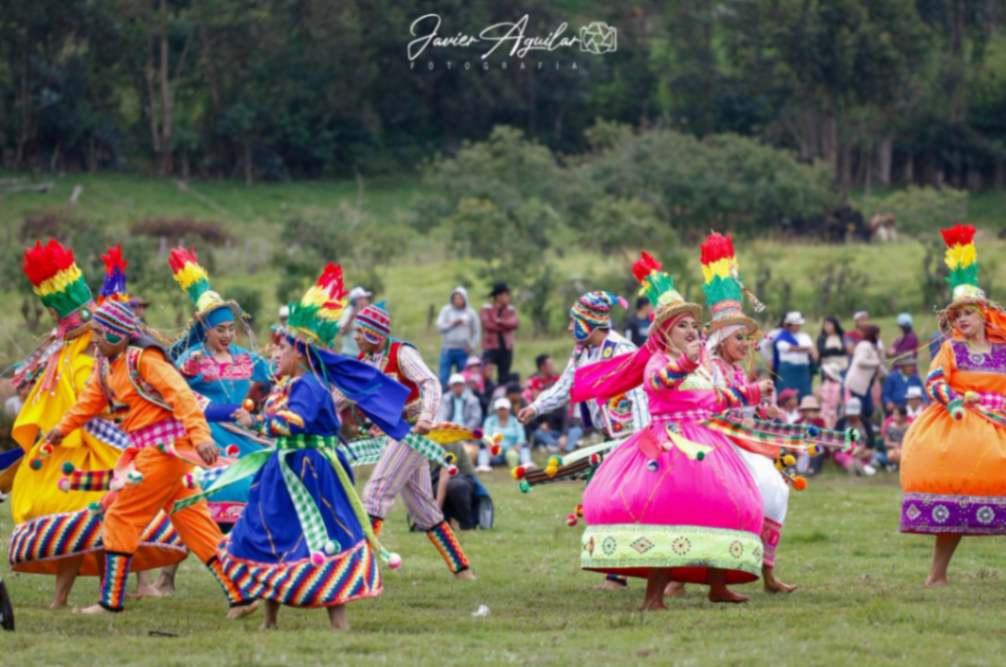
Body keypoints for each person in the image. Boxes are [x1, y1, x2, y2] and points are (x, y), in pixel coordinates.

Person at [205, 264, 410, 631]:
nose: (275, 352)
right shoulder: (286, 384)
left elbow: (294, 422)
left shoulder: (309, 385)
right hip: (282, 470)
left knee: (325, 535)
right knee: (271, 531)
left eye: (282, 347)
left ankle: (338, 621)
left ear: (299, 354)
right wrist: (261, 418)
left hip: (311, 472)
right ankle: (270, 618)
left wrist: (261, 422)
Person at [573, 251, 768, 608]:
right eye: (682, 326)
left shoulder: (702, 365)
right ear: (665, 332)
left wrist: (755, 392)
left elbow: (715, 399)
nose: (692, 331)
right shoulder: (659, 361)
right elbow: (661, 383)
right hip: (670, 444)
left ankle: (718, 585)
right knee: (667, 511)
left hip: (707, 441)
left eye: (694, 326)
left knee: (725, 505)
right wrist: (687, 361)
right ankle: (654, 596)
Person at [45, 300, 257, 617]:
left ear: (117, 334)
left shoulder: (144, 359)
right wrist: (60, 429)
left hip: (163, 452)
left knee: (120, 516)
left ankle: (110, 602)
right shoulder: (106, 366)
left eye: (99, 333)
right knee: (196, 526)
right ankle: (241, 597)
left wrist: (200, 436)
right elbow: (89, 402)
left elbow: (181, 395)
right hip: (159, 455)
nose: (94, 340)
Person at [9, 241, 183, 609]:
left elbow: (108, 398)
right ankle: (69, 597)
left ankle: (105, 595)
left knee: (101, 523)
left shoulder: (95, 353)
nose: (95, 338)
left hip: (105, 450)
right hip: (78, 451)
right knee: (77, 524)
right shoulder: (69, 354)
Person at [901, 224, 1006, 586]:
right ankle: (936, 575)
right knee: (957, 491)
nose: (961, 319)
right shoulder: (951, 349)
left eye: (968, 313)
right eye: (956, 315)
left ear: (984, 315)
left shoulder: (1003, 351)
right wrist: (955, 402)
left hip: (1000, 423)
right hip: (960, 423)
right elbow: (934, 382)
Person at [697, 233, 794, 594]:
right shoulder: (707, 368)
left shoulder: (737, 371)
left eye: (747, 339)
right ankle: (685, 578)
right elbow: (710, 404)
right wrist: (750, 400)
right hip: (714, 444)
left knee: (775, 490)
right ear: (721, 340)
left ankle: (767, 572)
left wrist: (763, 411)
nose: (746, 345)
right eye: (739, 339)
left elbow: (743, 407)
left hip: (741, 444)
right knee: (745, 494)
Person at [354, 302, 476, 580]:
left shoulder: (401, 352)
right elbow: (346, 395)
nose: (356, 336)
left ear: (375, 333)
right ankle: (463, 570)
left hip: (412, 431)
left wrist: (426, 417)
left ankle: (359, 572)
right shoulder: (365, 360)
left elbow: (430, 382)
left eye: (361, 331)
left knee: (375, 493)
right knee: (423, 507)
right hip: (396, 432)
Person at [168, 247, 274, 530]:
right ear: (206, 330)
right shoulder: (192, 359)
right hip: (204, 434)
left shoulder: (246, 358)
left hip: (240, 430)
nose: (227, 335)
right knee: (213, 488)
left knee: (264, 475)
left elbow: (276, 378)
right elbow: (174, 391)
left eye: (231, 328)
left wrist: (260, 414)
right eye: (220, 329)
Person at [436, 287, 481, 387]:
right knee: (443, 377)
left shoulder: (471, 313)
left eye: (460, 298)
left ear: (465, 299)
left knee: (463, 377)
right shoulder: (446, 311)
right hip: (447, 349)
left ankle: (461, 395)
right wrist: (453, 323)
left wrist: (472, 346)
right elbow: (439, 327)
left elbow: (477, 331)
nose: (457, 300)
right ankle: (443, 394)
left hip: (463, 350)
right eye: (455, 298)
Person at [480, 282, 519, 385]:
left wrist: (500, 321)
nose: (507, 298)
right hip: (490, 346)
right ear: (498, 296)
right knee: (486, 372)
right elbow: (488, 325)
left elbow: (514, 323)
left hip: (506, 347)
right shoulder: (487, 309)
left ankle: (501, 391)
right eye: (505, 295)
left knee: (504, 374)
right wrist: (505, 326)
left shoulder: (510, 310)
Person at [774, 312, 816, 398]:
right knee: (786, 395)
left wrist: (810, 351)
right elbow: (788, 348)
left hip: (802, 369)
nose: (797, 327)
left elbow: (812, 349)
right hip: (788, 369)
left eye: (798, 325)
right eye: (795, 325)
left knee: (804, 394)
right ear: (789, 325)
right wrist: (806, 349)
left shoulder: (804, 336)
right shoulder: (782, 337)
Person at [846, 325, 883, 421]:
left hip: (864, 385)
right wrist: (876, 363)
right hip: (857, 383)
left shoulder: (870, 347)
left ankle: (865, 425)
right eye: (877, 334)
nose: (879, 337)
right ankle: (862, 426)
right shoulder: (864, 345)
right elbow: (860, 361)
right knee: (864, 409)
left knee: (868, 409)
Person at [479, 397, 528, 470]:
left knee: (524, 445)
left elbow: (521, 437)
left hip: (513, 450)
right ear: (496, 410)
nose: (502, 411)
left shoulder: (515, 421)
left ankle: (526, 463)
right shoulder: (490, 420)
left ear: (509, 409)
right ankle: (483, 465)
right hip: (495, 453)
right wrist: (490, 447)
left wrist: (516, 447)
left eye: (504, 409)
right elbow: (486, 437)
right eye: (500, 409)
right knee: (483, 447)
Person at [833, 398, 876, 476]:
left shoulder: (865, 422)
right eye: (850, 414)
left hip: (861, 451)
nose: (852, 416)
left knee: (869, 454)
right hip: (845, 450)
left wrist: (864, 447)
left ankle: (860, 465)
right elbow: (836, 440)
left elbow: (871, 440)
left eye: (854, 414)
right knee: (843, 456)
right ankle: (852, 465)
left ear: (859, 413)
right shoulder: (841, 423)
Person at [339, 286, 372, 357]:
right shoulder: (347, 312)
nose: (366, 300)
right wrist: (351, 317)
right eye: (364, 298)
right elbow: (342, 332)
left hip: (363, 356)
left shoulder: (367, 314)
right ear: (357, 300)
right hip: (348, 354)